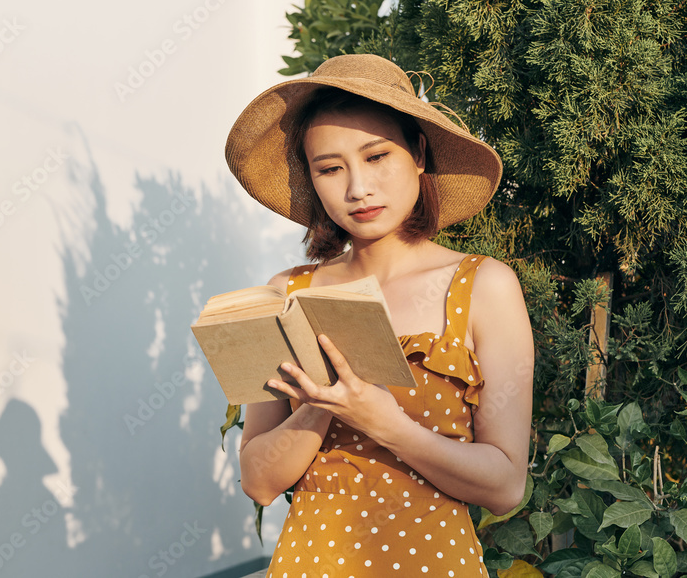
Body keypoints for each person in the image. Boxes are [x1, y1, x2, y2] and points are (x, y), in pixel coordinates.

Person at [224, 54, 534, 576]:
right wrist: (321, 404)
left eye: (376, 157)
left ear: (417, 153)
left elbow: (505, 486)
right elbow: (258, 480)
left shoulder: (484, 286)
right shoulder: (286, 294)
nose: (357, 188)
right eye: (330, 168)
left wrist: (387, 424)